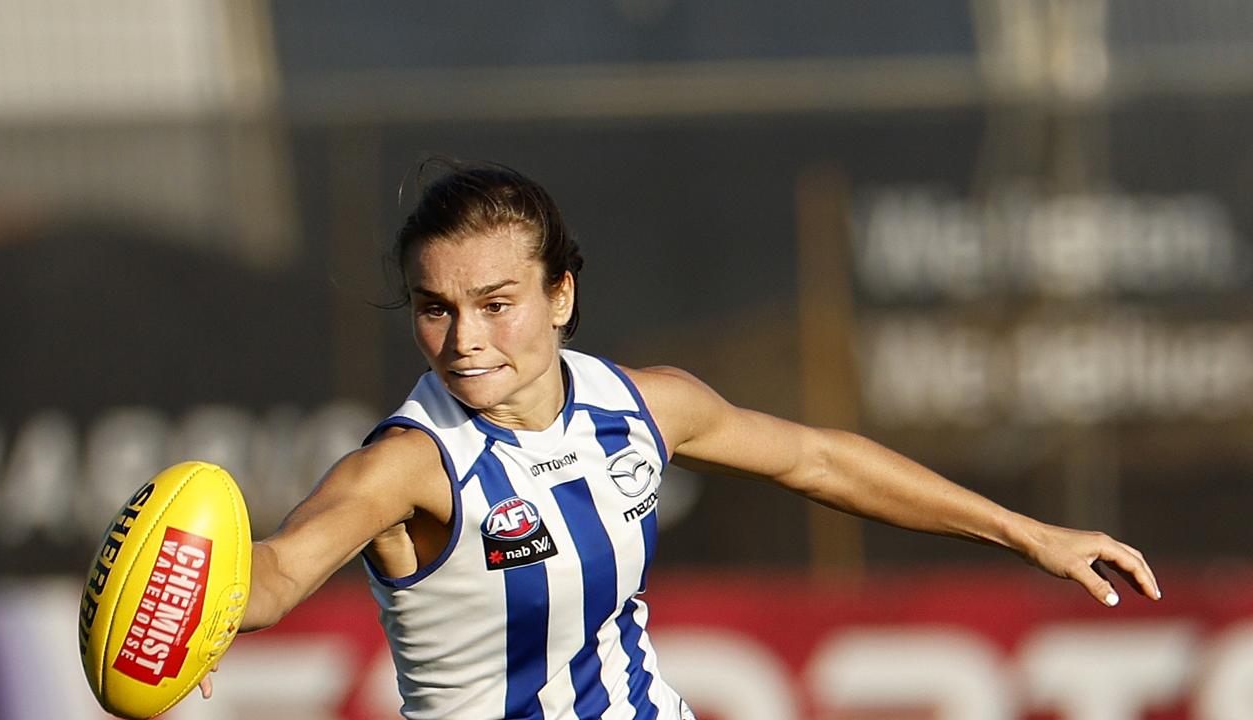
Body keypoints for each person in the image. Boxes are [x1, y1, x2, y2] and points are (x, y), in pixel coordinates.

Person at [206, 159, 1161, 718]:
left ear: (561, 296)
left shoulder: (644, 406)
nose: (464, 339)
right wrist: (199, 606)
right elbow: (284, 569)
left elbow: (821, 459)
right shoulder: (411, 464)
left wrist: (1032, 534)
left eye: (496, 304)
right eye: (434, 308)